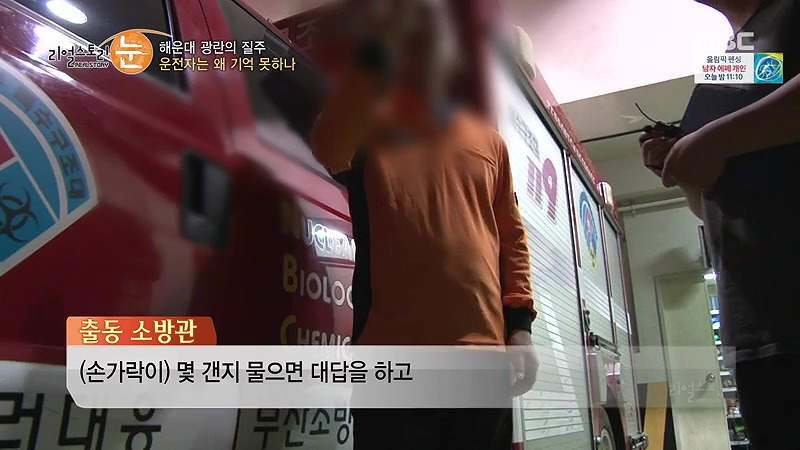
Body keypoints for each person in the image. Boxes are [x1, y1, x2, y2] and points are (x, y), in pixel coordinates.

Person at [310, 0, 539, 449]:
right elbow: (328, 146)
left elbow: (512, 240)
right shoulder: (367, 125)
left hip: (482, 360)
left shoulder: (490, 143)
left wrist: (520, 329)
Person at [639, 1, 799, 448]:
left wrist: (712, 141)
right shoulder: (730, 56)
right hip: (756, 331)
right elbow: (709, 205)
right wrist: (680, 166)